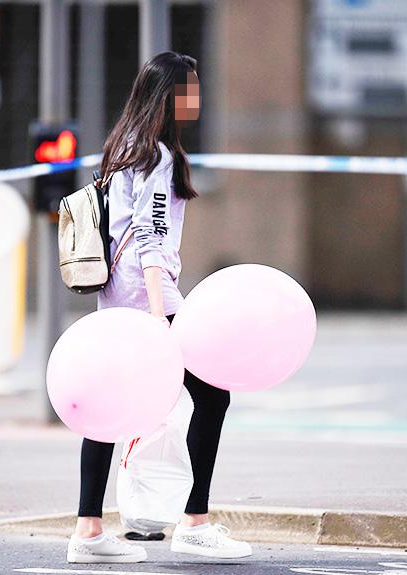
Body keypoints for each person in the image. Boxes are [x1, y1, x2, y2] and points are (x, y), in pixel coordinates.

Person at [66, 51, 253, 564]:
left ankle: (87, 533)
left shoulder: (123, 146)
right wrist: (158, 315)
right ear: (170, 97)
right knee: (213, 396)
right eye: (190, 89)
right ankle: (194, 522)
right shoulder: (158, 156)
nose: (197, 98)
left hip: (113, 298)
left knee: (107, 411)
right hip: (149, 299)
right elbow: (150, 237)